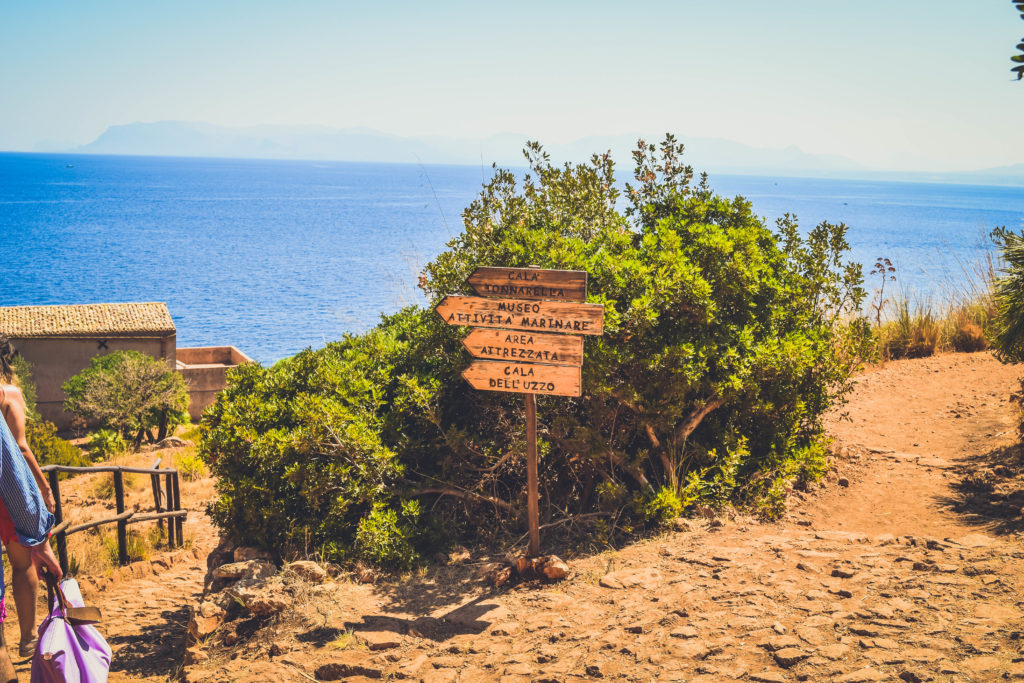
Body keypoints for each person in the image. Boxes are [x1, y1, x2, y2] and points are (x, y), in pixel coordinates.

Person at [0, 337, 61, 680]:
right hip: (9, 492)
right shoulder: (10, 395)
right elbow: (21, 448)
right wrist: (43, 485)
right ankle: (26, 638)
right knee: (23, 563)